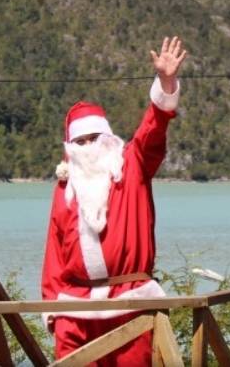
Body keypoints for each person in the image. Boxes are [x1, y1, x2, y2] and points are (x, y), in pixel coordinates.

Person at [41, 36, 187, 365]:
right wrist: (51, 308)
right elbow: (54, 253)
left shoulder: (132, 166)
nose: (89, 146)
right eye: (81, 141)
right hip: (75, 311)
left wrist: (165, 83)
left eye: (95, 138)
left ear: (109, 139)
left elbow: (152, 131)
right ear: (69, 148)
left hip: (129, 304)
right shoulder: (66, 189)